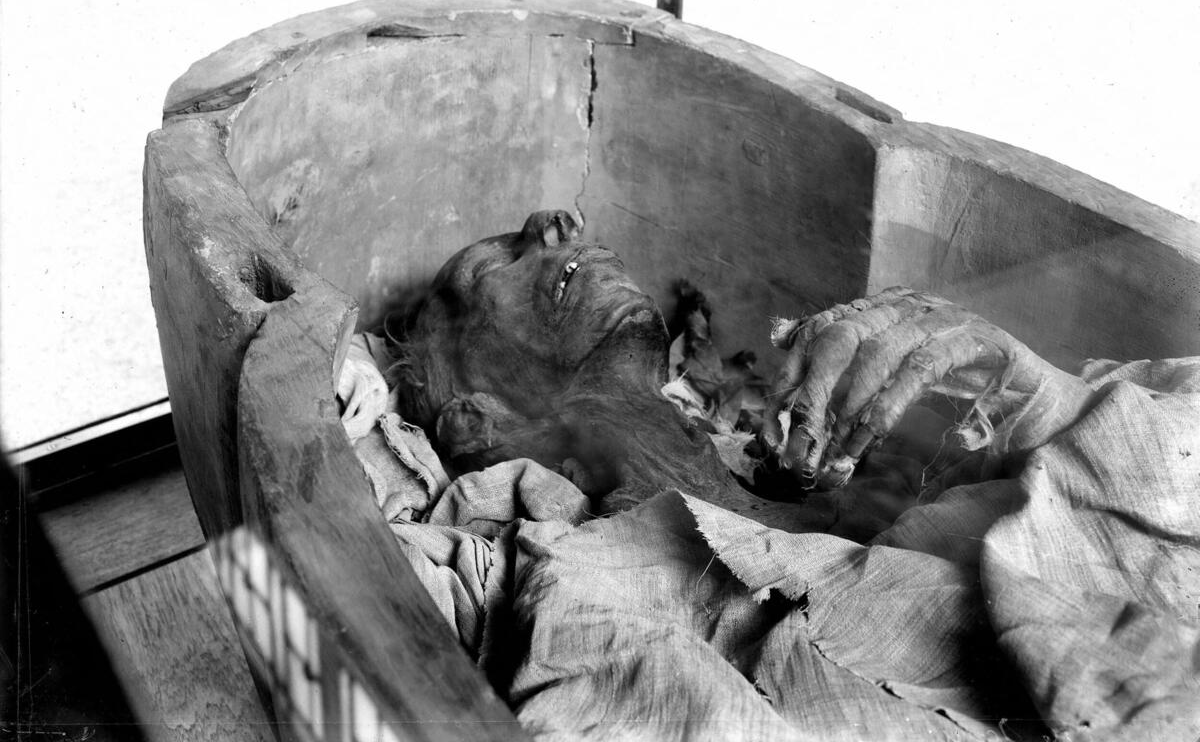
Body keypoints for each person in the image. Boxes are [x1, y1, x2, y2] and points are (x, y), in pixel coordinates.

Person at [342, 210, 1200, 741]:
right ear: (477, 419)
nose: (552, 222)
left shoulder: (867, 459)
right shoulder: (588, 606)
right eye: (494, 263)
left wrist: (1033, 395)